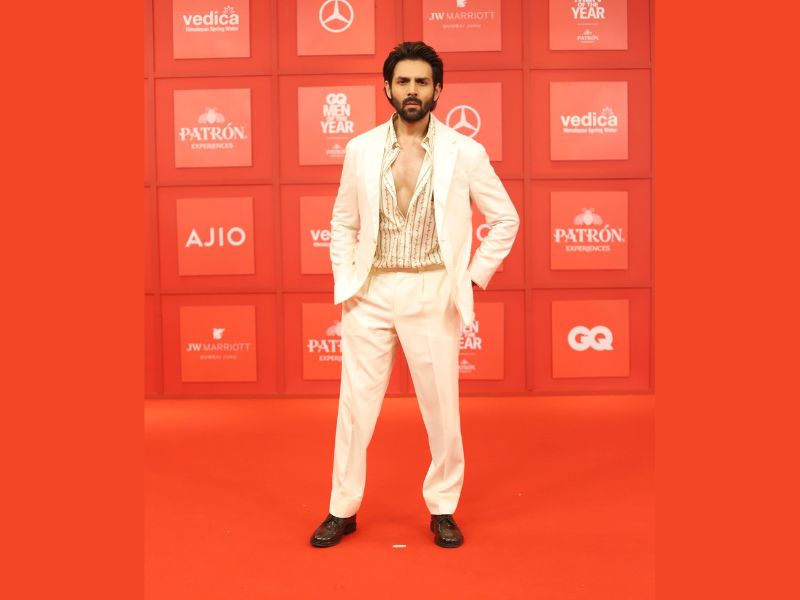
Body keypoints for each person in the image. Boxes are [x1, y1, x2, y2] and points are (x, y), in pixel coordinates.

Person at [310, 41, 519, 548]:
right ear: (387, 87)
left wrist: (470, 277)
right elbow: (343, 222)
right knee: (355, 407)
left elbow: (505, 218)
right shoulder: (360, 149)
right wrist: (347, 281)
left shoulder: (464, 153)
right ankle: (342, 508)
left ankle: (443, 507)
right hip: (371, 289)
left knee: (441, 407)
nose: (412, 90)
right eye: (403, 81)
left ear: (437, 90)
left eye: (421, 82)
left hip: (432, 288)